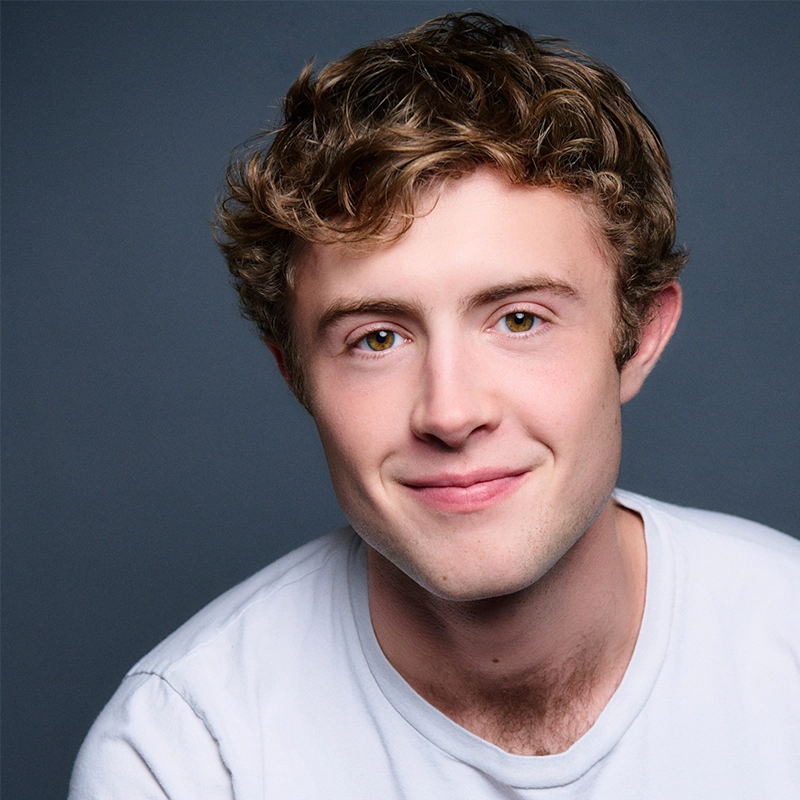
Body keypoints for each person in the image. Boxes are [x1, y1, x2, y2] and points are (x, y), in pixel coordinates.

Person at [69, 12, 800, 798]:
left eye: (521, 320)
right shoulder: (184, 758)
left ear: (640, 336)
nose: (450, 414)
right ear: (296, 374)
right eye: (376, 339)